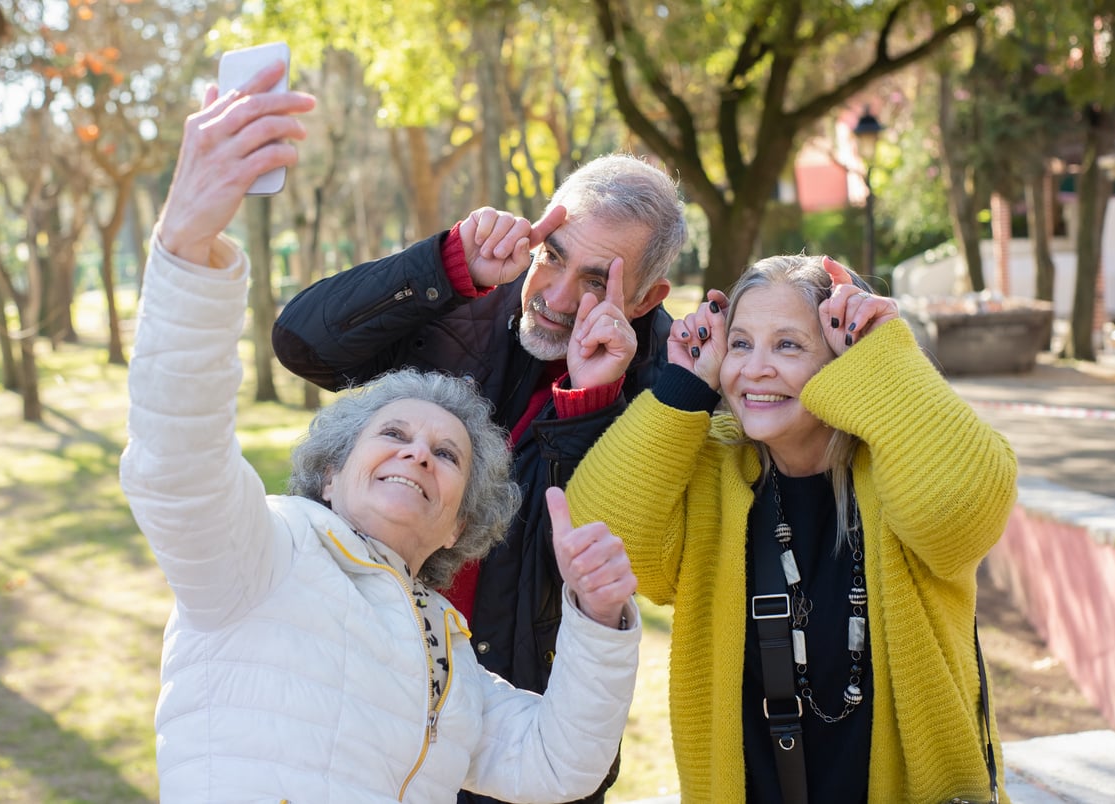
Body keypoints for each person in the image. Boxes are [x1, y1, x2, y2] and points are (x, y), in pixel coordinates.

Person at [119, 60, 642, 803]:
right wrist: (185, 244)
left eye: (446, 454)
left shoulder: (450, 658)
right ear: (331, 472)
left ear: (464, 521)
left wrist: (599, 620)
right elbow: (175, 461)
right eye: (393, 433)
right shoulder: (264, 555)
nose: (417, 454)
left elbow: (559, 764)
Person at [273, 134, 686, 801]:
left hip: (513, 727)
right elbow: (301, 344)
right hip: (364, 681)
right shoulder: (468, 294)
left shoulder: (669, 383)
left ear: (645, 297)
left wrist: (588, 403)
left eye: (594, 281)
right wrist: (446, 262)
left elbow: (574, 554)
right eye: (553, 254)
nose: (553, 294)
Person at [565, 254, 1019, 803]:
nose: (754, 368)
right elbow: (602, 538)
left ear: (841, 360)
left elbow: (961, 512)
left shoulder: (899, 465)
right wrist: (683, 387)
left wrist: (884, 355)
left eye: (787, 344)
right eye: (740, 344)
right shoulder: (713, 468)